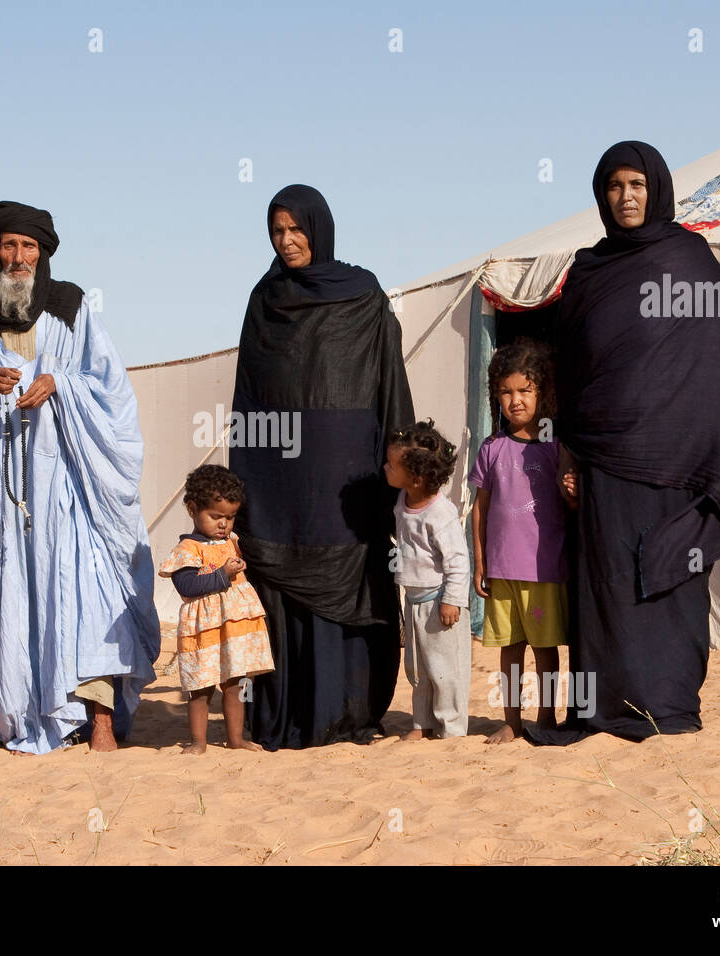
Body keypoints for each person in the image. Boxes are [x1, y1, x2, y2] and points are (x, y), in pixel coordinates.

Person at [542, 141, 720, 743]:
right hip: (604, 461)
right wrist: (569, 450)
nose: (626, 197)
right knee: (605, 585)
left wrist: (711, 456)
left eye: (636, 184)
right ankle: (602, 708)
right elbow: (569, 372)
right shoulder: (588, 271)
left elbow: (714, 368)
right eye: (614, 187)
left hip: (676, 465)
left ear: (655, 188)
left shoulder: (690, 260)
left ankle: (668, 704)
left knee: (670, 584)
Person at [0, 200, 161, 754]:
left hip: (70, 481)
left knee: (85, 592)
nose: (18, 257)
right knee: (18, 595)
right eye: (8, 246)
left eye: (29, 247)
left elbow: (112, 387)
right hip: (8, 491)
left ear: (43, 253)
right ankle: (28, 714)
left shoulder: (73, 306)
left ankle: (96, 718)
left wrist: (60, 386)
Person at [232, 184, 415, 750]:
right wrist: (245, 485)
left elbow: (389, 385)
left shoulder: (362, 297)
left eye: (296, 229)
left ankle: (346, 711)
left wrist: (400, 460)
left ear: (320, 228)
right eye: (277, 231)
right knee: (280, 585)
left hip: (348, 482)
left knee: (349, 582)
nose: (287, 241)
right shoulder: (265, 301)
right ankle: (288, 714)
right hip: (279, 481)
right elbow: (248, 401)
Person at [468, 341, 568, 744]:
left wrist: (572, 489)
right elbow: (480, 507)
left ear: (541, 392)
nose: (515, 401)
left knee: (545, 651)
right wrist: (479, 561)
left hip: (544, 569)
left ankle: (546, 717)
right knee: (509, 650)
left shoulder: (556, 446)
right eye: (506, 392)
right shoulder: (491, 448)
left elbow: (572, 501)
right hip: (502, 568)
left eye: (525, 391)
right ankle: (512, 720)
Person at [158, 465, 274, 755]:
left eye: (230, 517)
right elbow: (186, 586)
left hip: (233, 628)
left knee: (234, 684)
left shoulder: (232, 542)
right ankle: (198, 742)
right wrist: (222, 574)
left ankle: (235, 739)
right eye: (216, 516)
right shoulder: (188, 548)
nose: (224, 524)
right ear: (193, 509)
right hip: (204, 629)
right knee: (200, 688)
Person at [384, 420, 471, 740]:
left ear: (417, 477)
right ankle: (422, 724)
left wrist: (452, 600)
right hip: (415, 601)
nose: (385, 468)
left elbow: (458, 560)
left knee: (445, 671)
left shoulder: (441, 513)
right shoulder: (403, 501)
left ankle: (452, 729)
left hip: (440, 604)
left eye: (392, 465)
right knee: (418, 671)